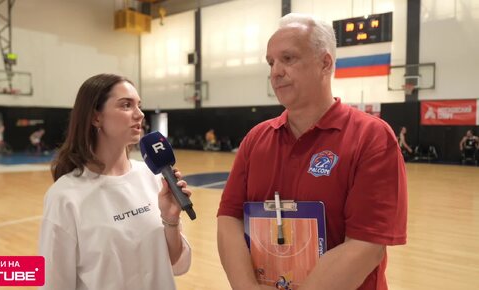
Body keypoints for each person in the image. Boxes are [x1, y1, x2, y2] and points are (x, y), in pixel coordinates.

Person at [217, 13, 407, 290]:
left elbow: (366, 245)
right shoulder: (255, 140)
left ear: (324, 62)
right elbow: (229, 219)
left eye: (288, 59)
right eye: (271, 62)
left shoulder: (372, 138)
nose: (275, 71)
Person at [39, 74, 192, 289]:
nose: (139, 114)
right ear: (96, 118)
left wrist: (171, 218)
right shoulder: (65, 197)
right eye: (126, 105)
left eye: (139, 105)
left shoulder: (153, 177)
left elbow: (174, 261)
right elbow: (55, 284)